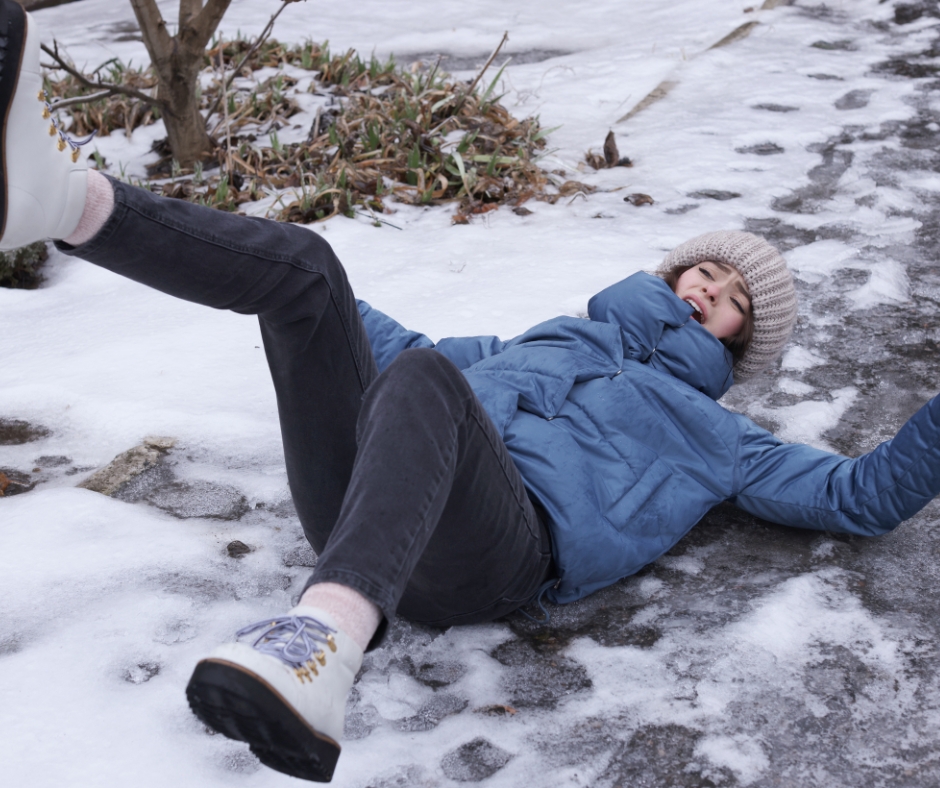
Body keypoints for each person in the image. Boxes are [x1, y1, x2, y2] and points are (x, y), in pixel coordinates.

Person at [5, 2, 940, 783]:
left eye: (735, 302)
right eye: (706, 271)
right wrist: (316, 307)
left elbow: (863, 498)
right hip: (370, 499)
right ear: (673, 271)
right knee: (313, 271)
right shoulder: (555, 335)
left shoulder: (722, 436)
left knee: (423, 381)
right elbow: (404, 345)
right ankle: (66, 205)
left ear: (743, 344)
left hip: (491, 555)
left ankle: (323, 643)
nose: (709, 291)